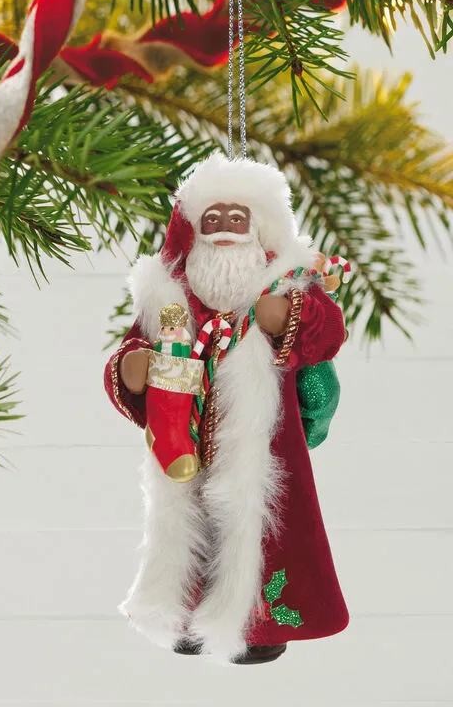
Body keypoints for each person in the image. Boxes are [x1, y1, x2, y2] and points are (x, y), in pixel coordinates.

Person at [104, 152, 349, 665]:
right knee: (185, 523)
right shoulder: (172, 300)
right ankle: (183, 616)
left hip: (263, 443)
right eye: (211, 219)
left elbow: (327, 333)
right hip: (184, 443)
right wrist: (134, 368)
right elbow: (132, 349)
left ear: (259, 230)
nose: (222, 230)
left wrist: (286, 315)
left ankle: (255, 627)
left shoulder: (284, 284)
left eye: (236, 219)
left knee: (258, 524)